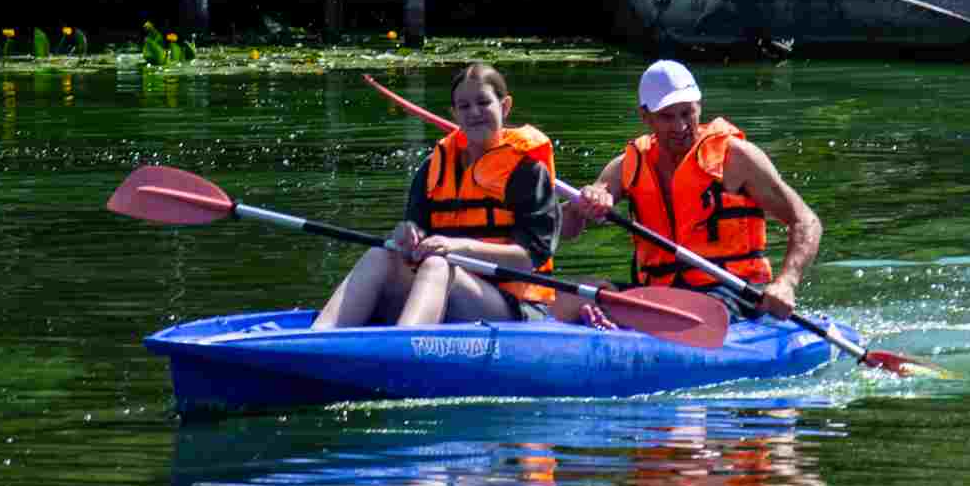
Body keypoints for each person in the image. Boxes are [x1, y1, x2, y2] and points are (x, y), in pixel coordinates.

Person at [557, 59, 821, 322]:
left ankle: (623, 322)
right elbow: (567, 229)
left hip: (729, 295)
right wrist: (583, 203)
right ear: (645, 116)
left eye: (687, 113)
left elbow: (806, 221)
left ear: (699, 106)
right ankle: (617, 322)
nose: (681, 126)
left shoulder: (736, 159)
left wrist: (786, 282)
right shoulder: (627, 167)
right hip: (657, 296)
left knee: (677, 312)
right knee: (563, 297)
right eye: (667, 117)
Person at [313, 62, 560, 328]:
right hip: (441, 287)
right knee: (380, 254)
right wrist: (406, 234)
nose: (474, 112)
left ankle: (404, 351)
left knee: (439, 266)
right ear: (454, 113)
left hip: (514, 308)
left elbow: (527, 259)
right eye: (464, 106)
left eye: (483, 102)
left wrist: (459, 248)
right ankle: (318, 336)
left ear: (505, 106)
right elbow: (414, 234)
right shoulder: (433, 167)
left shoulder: (528, 174)